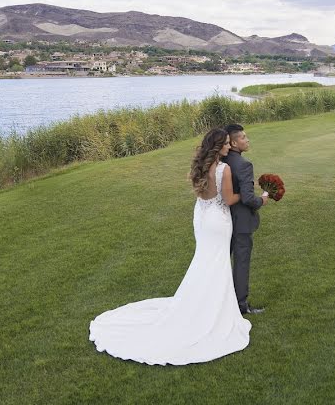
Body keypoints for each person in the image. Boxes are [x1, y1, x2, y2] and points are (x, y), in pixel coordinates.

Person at [89, 128, 252, 365]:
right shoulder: (223, 169)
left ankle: (201, 302)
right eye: (226, 144)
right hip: (218, 220)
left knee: (204, 260)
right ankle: (212, 311)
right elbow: (228, 200)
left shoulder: (201, 166)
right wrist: (249, 194)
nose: (229, 147)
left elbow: (205, 195)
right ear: (218, 147)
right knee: (216, 262)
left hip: (201, 217)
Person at [223, 123, 269, 315]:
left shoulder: (222, 161)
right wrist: (262, 200)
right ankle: (241, 305)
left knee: (222, 260)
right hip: (241, 222)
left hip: (223, 219)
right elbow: (248, 198)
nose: (247, 139)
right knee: (241, 263)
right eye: (243, 137)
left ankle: (220, 299)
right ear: (233, 143)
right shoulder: (243, 165)